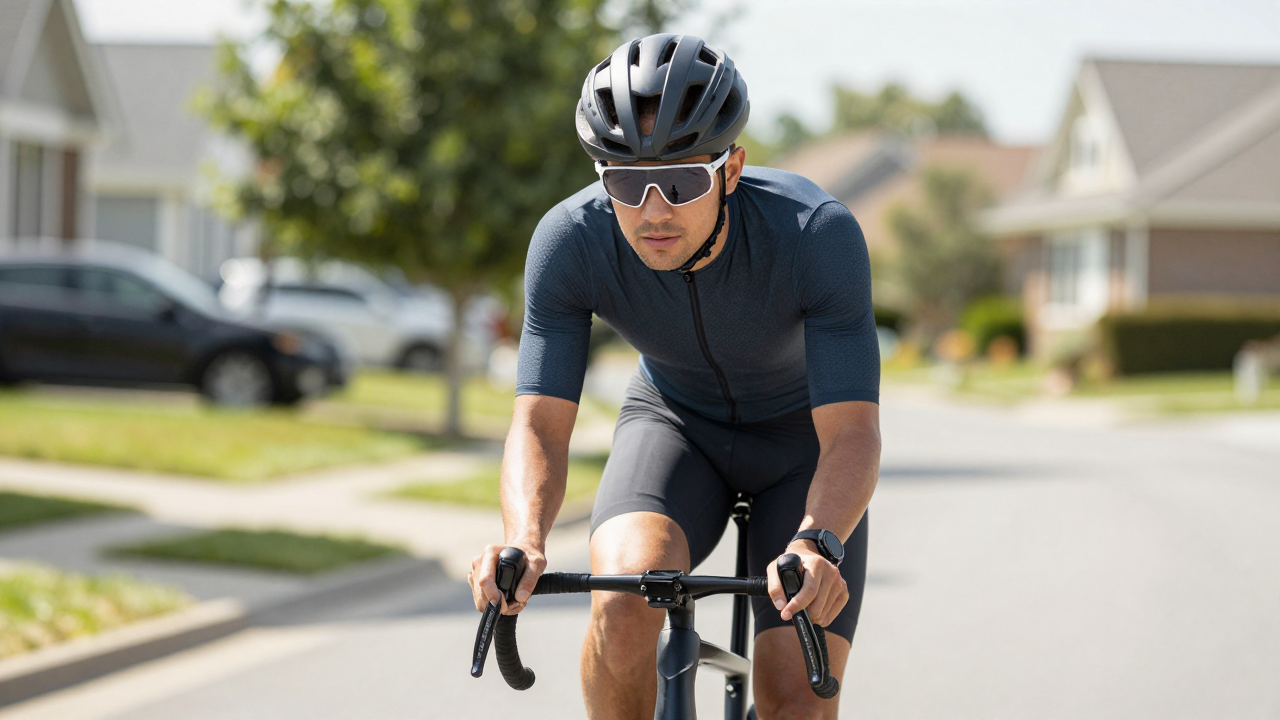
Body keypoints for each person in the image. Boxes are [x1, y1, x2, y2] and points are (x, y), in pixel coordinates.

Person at [469, 33, 881, 720]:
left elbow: (853, 432)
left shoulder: (816, 234)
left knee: (794, 697)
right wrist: (525, 538)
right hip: (674, 428)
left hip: (803, 450)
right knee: (624, 598)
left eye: (684, 181)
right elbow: (539, 421)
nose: (654, 210)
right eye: (626, 184)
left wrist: (819, 541)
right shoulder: (570, 242)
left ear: (732, 168)